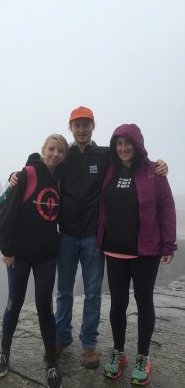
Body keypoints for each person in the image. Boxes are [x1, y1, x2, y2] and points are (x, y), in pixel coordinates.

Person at [10, 106, 168, 369]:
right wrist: (16, 174)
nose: (81, 129)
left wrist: (158, 165)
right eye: (77, 125)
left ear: (93, 126)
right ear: (70, 128)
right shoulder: (64, 155)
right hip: (67, 235)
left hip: (95, 236)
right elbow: (40, 164)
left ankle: (90, 344)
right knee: (64, 292)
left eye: (86, 125)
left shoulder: (105, 155)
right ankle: (62, 337)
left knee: (93, 293)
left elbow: (134, 163)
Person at [97, 124, 177, 385]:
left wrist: (168, 245)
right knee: (118, 304)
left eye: (127, 143)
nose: (123, 148)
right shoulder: (110, 168)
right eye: (118, 143)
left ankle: (143, 356)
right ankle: (118, 352)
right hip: (114, 251)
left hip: (145, 253)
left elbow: (166, 208)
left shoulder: (154, 171)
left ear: (138, 145)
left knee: (144, 303)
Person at [0, 134, 69, 388]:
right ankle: (4, 352)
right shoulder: (26, 175)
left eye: (60, 150)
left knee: (44, 307)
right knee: (14, 303)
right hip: (20, 255)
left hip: (46, 255)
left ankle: (50, 361)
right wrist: (7, 250)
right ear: (43, 150)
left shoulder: (61, 179)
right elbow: (8, 214)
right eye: (51, 149)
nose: (55, 154)